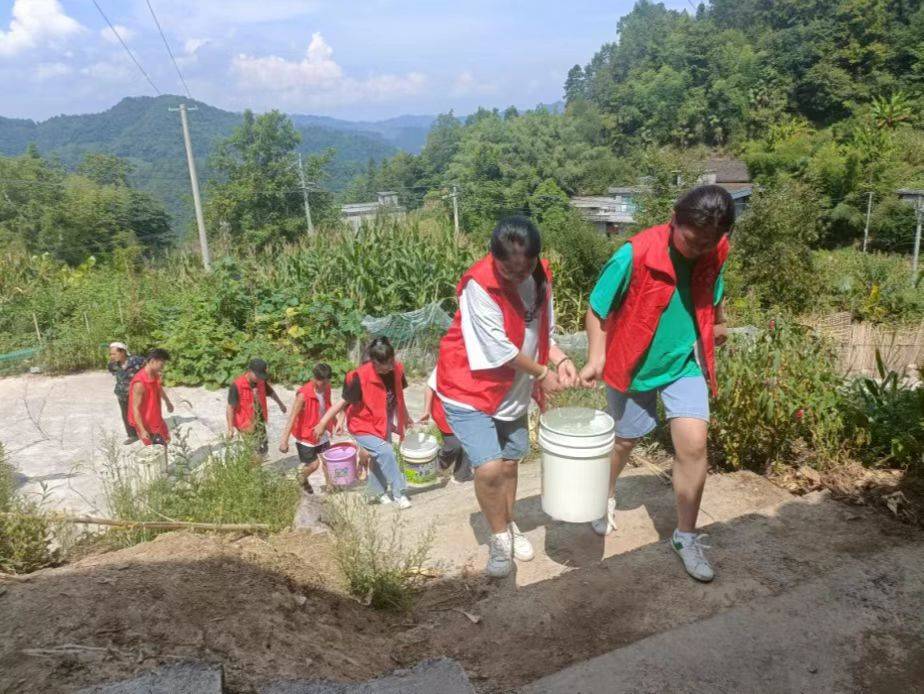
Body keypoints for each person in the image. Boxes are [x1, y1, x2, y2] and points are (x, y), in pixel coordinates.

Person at [580, 184, 734, 583]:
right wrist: (596, 357)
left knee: (694, 443)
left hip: (683, 361)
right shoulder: (634, 253)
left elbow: (712, 290)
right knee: (625, 441)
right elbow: (597, 309)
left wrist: (717, 323)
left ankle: (685, 536)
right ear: (673, 219)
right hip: (633, 364)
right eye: (693, 239)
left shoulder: (716, 249)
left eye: (709, 242)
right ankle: (604, 494)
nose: (700, 248)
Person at [434, 216, 578, 578]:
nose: (516, 277)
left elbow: (544, 333)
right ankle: (499, 540)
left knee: (512, 463)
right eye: (507, 270)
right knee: (490, 466)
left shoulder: (540, 277)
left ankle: (508, 523)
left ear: (535, 259)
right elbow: (499, 350)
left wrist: (561, 360)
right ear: (492, 257)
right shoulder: (478, 286)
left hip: (511, 388)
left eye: (524, 269)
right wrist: (543, 374)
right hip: (469, 388)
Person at [316, 337, 413, 509]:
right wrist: (323, 423)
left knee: (380, 458)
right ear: (374, 363)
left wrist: (405, 417)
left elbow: (398, 397)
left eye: (391, 363)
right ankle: (400, 492)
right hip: (361, 425)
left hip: (382, 423)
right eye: (384, 367)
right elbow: (342, 403)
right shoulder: (360, 378)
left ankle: (377, 493)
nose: (389, 368)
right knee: (386, 452)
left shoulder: (397, 369)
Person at [279, 363, 336, 494]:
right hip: (305, 436)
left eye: (327, 381)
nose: (324, 384)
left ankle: (330, 488)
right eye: (322, 381)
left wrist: (335, 422)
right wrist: (284, 440)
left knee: (328, 460)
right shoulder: (303, 395)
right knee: (313, 465)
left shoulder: (327, 388)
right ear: (314, 378)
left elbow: (329, 406)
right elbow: (292, 417)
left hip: (321, 433)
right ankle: (300, 478)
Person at [419, 370, 472, 484]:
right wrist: (426, 410)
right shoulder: (448, 361)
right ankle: (437, 464)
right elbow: (430, 387)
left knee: (470, 440)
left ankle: (462, 474)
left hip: (467, 409)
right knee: (454, 444)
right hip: (445, 411)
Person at [227, 358, 287, 455]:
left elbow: (270, 392)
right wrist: (230, 428)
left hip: (259, 421)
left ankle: (254, 467)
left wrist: (281, 404)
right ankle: (251, 468)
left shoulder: (261, 381)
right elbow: (230, 407)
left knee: (264, 449)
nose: (259, 378)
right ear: (250, 371)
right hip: (245, 424)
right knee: (254, 451)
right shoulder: (237, 386)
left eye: (261, 376)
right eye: (257, 375)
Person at [128, 348, 174, 446]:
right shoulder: (139, 383)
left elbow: (158, 388)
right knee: (156, 450)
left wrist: (167, 401)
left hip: (156, 417)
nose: (163, 367)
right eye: (162, 364)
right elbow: (135, 408)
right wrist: (142, 430)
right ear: (152, 361)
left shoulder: (155, 374)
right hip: (145, 423)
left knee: (166, 441)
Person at [107, 342, 145, 444]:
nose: (112, 356)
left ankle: (147, 431)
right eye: (111, 354)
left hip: (136, 393)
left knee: (141, 412)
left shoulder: (137, 361)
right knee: (125, 414)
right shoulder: (112, 365)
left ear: (123, 352)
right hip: (122, 393)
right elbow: (115, 374)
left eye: (114, 354)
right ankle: (132, 435)